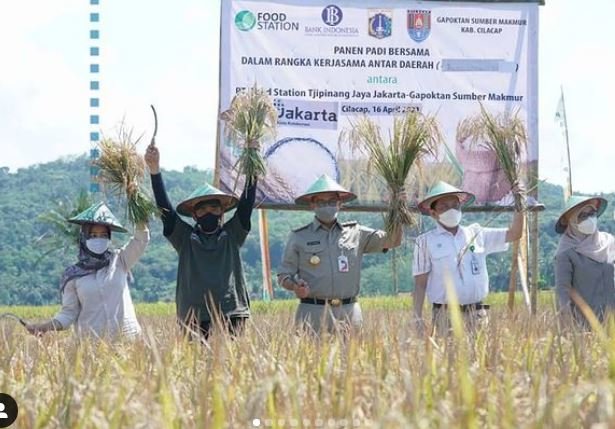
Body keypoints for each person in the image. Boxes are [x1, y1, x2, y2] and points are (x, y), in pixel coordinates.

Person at [144, 143, 255, 340]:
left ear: (222, 211)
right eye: (202, 210)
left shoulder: (233, 234)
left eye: (213, 207)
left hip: (231, 313)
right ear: (194, 215)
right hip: (193, 316)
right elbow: (165, 209)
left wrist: (252, 156)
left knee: (234, 367)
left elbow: (246, 204)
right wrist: (154, 171)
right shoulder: (184, 238)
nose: (208, 213)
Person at [277, 174, 403, 334]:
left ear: (339, 204)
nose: (326, 206)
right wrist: (295, 286)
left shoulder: (356, 233)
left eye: (331, 201)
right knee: (311, 358)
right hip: (313, 311)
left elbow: (392, 240)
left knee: (353, 358)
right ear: (312, 205)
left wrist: (397, 208)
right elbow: (283, 275)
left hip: (349, 311)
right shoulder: (299, 237)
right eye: (321, 202)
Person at [412, 181, 524, 336]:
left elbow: (515, 233)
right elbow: (420, 284)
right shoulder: (424, 242)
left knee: (481, 358)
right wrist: (417, 317)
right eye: (444, 207)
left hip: (477, 313)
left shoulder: (476, 233)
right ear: (433, 213)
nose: (451, 210)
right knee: (449, 358)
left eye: (455, 205)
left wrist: (519, 204)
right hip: (445, 315)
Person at [26, 202, 149, 339]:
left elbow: (141, 239)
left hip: (128, 340)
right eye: (93, 235)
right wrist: (44, 327)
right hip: (92, 345)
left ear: (109, 237)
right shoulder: (73, 275)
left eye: (103, 235)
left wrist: (137, 207)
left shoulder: (120, 260)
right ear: (84, 237)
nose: (99, 239)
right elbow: (68, 314)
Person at [554, 195, 615, 327]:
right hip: (585, 327)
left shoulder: (609, 243)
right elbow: (562, 292)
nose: (589, 219)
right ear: (572, 220)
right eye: (583, 215)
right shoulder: (566, 253)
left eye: (592, 213)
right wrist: (568, 329)